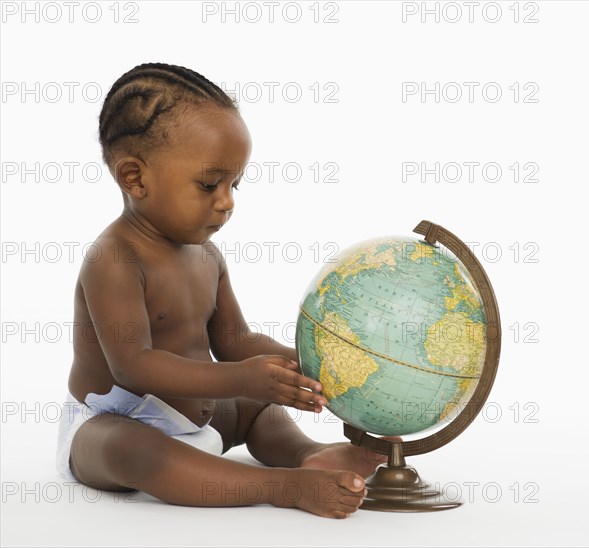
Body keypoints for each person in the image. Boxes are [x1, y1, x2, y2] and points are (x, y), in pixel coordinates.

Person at [56, 63, 386, 519]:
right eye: (209, 184)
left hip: (198, 416)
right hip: (114, 422)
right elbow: (133, 367)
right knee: (135, 449)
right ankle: (282, 485)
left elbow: (234, 342)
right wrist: (241, 377)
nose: (227, 201)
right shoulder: (113, 260)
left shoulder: (206, 256)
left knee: (256, 405)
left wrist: (307, 364)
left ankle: (305, 454)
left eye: (235, 184)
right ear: (134, 178)